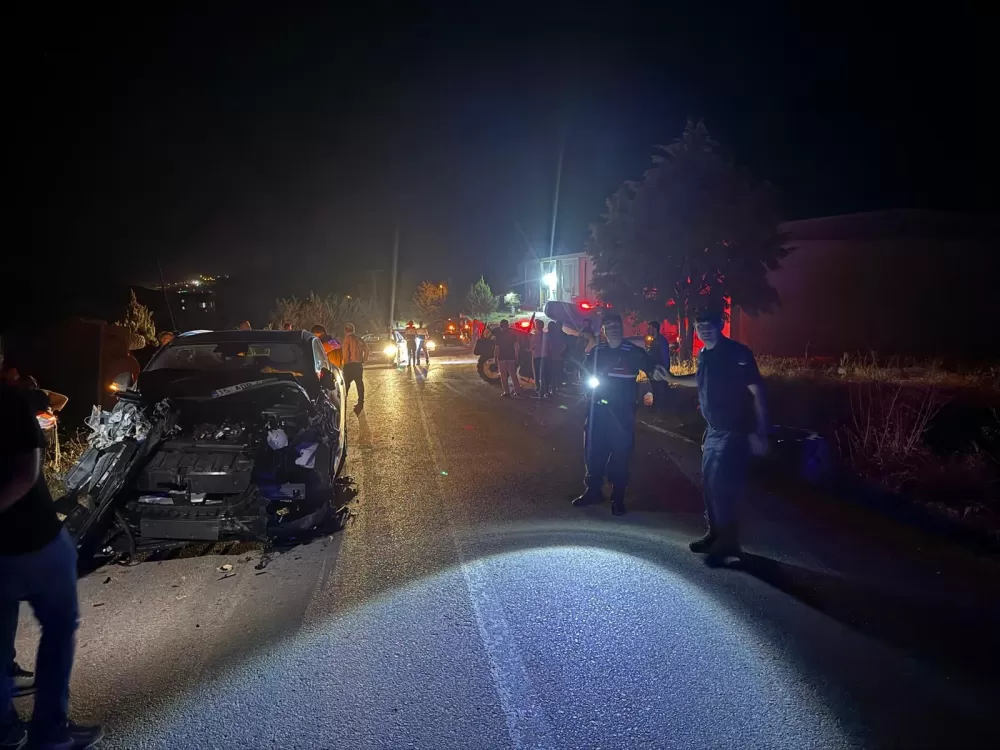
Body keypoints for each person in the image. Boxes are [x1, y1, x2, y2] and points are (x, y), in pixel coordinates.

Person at [1, 381, 103, 750]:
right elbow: (25, 473)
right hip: (34, 539)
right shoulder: (8, 398)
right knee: (59, 628)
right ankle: (50, 732)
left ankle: (5, 731)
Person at [660, 307, 769, 561]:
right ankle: (715, 534)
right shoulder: (704, 354)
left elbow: (757, 391)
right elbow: (700, 380)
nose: (704, 330)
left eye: (709, 325)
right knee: (709, 483)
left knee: (722, 485)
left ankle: (728, 541)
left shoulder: (737, 353)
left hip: (735, 430)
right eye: (700, 326)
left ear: (719, 325)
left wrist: (760, 431)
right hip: (714, 431)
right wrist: (671, 377)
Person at [573, 312, 667, 516]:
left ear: (621, 328)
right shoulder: (597, 351)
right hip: (597, 410)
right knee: (593, 450)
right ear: (603, 331)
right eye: (609, 327)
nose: (613, 329)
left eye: (616, 326)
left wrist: (657, 387)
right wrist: (586, 385)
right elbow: (583, 372)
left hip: (622, 412)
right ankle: (593, 490)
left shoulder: (633, 351)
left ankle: (618, 496)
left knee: (621, 453)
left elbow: (653, 370)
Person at [341, 323, 368, 415]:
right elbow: (367, 349)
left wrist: (345, 363)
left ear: (345, 330)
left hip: (349, 365)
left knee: (346, 384)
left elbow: (345, 352)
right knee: (359, 383)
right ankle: (360, 402)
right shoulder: (359, 338)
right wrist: (364, 359)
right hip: (358, 365)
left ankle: (343, 402)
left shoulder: (347, 339)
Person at [645, 320, 672, 411]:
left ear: (655, 329)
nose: (648, 330)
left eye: (649, 328)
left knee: (661, 391)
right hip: (654, 370)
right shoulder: (653, 341)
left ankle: (663, 410)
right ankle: (656, 409)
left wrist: (665, 370)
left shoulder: (661, 341)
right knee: (655, 390)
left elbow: (665, 356)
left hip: (661, 370)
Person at [493, 320, 522, 397]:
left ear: (501, 326)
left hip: (501, 358)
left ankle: (506, 392)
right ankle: (517, 391)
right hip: (511, 358)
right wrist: (517, 357)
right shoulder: (512, 335)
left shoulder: (499, 336)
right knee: (513, 375)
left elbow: (497, 348)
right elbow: (516, 347)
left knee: (503, 376)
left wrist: (495, 359)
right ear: (507, 325)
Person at [541, 320, 566, 397]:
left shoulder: (547, 335)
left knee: (548, 375)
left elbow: (548, 347)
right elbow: (564, 346)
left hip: (550, 357)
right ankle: (554, 389)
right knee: (555, 374)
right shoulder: (560, 335)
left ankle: (546, 390)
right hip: (558, 357)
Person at [530, 319, 545, 398]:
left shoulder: (534, 336)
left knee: (536, 373)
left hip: (536, 356)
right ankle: (544, 388)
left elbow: (532, 347)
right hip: (544, 356)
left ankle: (538, 388)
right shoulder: (546, 335)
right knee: (544, 373)